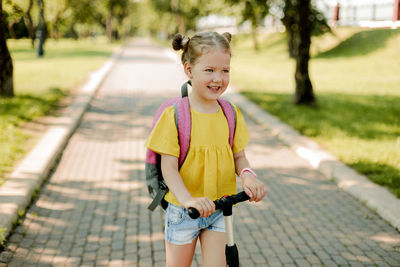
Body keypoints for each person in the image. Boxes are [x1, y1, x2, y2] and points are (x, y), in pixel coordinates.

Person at [145, 31, 266, 267]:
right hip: (184, 211)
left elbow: (238, 157)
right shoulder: (175, 115)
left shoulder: (230, 113)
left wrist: (248, 177)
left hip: (220, 209)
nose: (218, 78)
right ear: (189, 70)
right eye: (209, 70)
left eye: (225, 70)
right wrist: (188, 199)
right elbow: (168, 168)